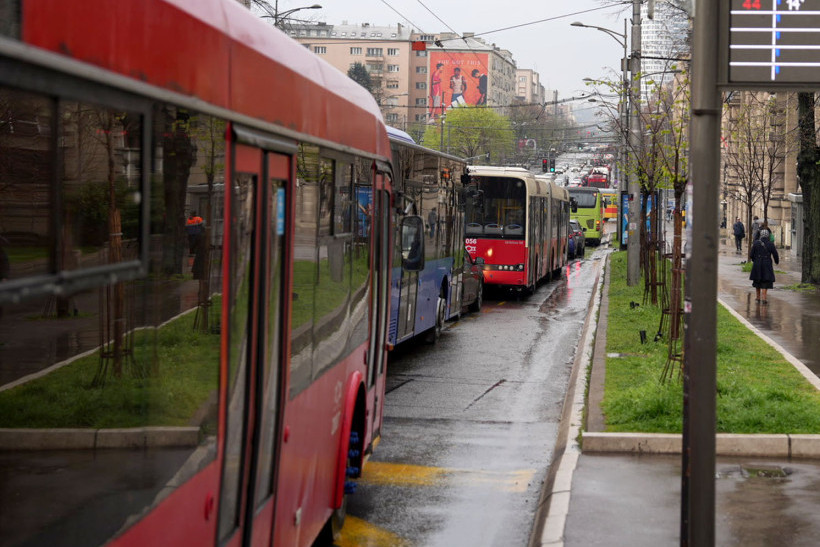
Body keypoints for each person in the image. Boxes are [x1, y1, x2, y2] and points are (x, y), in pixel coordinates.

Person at [749, 228, 779, 304]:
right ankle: (764, 298)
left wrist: (754, 260)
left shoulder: (756, 243)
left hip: (757, 263)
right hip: (767, 264)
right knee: (765, 281)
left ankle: (757, 298)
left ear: (761, 235)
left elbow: (751, 255)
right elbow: (775, 254)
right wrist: (776, 261)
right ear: (768, 236)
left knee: (757, 281)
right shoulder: (770, 244)